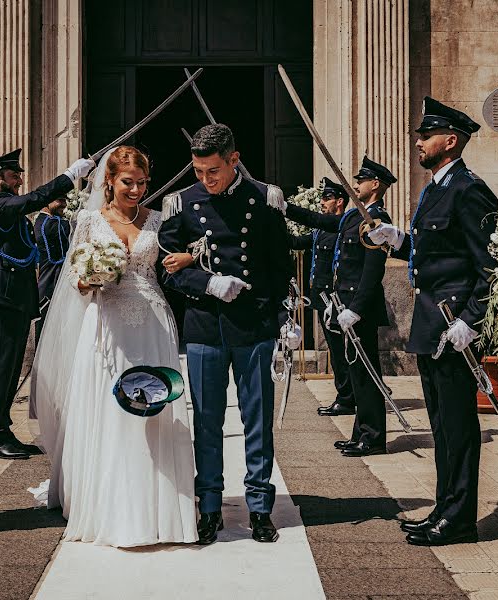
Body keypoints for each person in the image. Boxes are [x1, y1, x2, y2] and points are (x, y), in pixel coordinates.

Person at [29, 146, 198, 548]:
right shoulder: (88, 221)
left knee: (154, 406)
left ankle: (159, 506)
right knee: (109, 407)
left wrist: (188, 258)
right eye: (128, 182)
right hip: (106, 323)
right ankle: (112, 506)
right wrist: (90, 279)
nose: (137, 190)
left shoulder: (158, 221)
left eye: (142, 183)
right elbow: (75, 280)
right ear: (109, 181)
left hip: (153, 323)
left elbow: (177, 261)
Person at [367, 97, 498, 546]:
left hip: (453, 327)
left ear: (451, 139)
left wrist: (471, 320)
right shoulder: (436, 188)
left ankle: (459, 520)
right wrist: (398, 240)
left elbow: (489, 266)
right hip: (431, 325)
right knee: (442, 427)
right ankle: (445, 508)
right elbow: (435, 252)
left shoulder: (468, 189)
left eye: (426, 135)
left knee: (459, 428)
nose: (419, 142)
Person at [158, 124, 293, 545]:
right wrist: (206, 283)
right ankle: (211, 506)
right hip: (204, 326)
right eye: (198, 171)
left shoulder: (264, 198)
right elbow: (167, 265)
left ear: (234, 159)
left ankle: (259, 507)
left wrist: (279, 315)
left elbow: (278, 265)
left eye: (213, 170)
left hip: (252, 325)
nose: (205, 180)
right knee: (209, 420)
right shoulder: (180, 203)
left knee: (257, 420)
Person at [0, 148, 95, 460]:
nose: (18, 180)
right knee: (1, 370)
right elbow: (32, 200)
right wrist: (71, 175)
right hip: (1, 297)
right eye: (14, 175)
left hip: (13, 297)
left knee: (11, 368)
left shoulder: (7, 206)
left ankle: (2, 431)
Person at [285, 157, 397, 457]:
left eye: (361, 180)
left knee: (367, 373)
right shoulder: (352, 217)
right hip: (344, 306)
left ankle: (373, 437)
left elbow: (373, 271)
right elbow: (320, 222)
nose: (355, 184)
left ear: (375, 185)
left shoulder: (377, 220)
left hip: (359, 310)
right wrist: (284, 208)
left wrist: (356, 308)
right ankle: (361, 432)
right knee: (357, 373)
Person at [287, 177, 356, 418]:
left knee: (340, 351)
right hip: (322, 299)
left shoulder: (340, 225)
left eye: (326, 198)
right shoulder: (320, 231)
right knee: (336, 350)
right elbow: (296, 242)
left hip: (335, 300)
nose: (322, 203)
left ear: (339, 201)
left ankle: (347, 398)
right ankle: (345, 395)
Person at [34, 193, 70, 341]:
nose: (64, 205)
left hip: (49, 282)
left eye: (65, 201)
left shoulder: (44, 221)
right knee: (47, 332)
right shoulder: (49, 223)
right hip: (50, 282)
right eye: (59, 200)